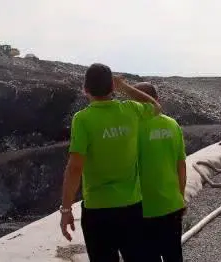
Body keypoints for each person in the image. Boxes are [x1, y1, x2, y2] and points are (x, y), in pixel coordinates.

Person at [59, 63, 161, 262]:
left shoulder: (83, 119)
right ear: (112, 88)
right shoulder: (131, 109)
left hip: (98, 210)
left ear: (85, 89)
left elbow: (75, 167)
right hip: (131, 207)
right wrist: (124, 87)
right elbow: (155, 106)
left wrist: (66, 209)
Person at [134, 82, 187, 262]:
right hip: (172, 204)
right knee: (174, 255)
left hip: (144, 208)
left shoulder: (135, 128)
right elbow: (181, 165)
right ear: (157, 100)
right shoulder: (173, 125)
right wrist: (181, 197)